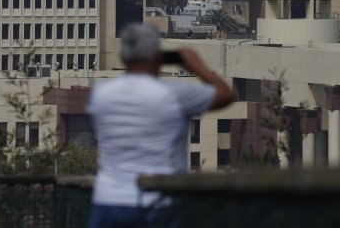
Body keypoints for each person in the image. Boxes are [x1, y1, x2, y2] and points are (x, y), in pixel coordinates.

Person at [87, 23, 235, 228]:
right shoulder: (175, 94)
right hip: (159, 200)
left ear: (123, 57)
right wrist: (194, 64)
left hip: (108, 198)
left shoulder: (100, 93)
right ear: (158, 56)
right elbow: (226, 95)